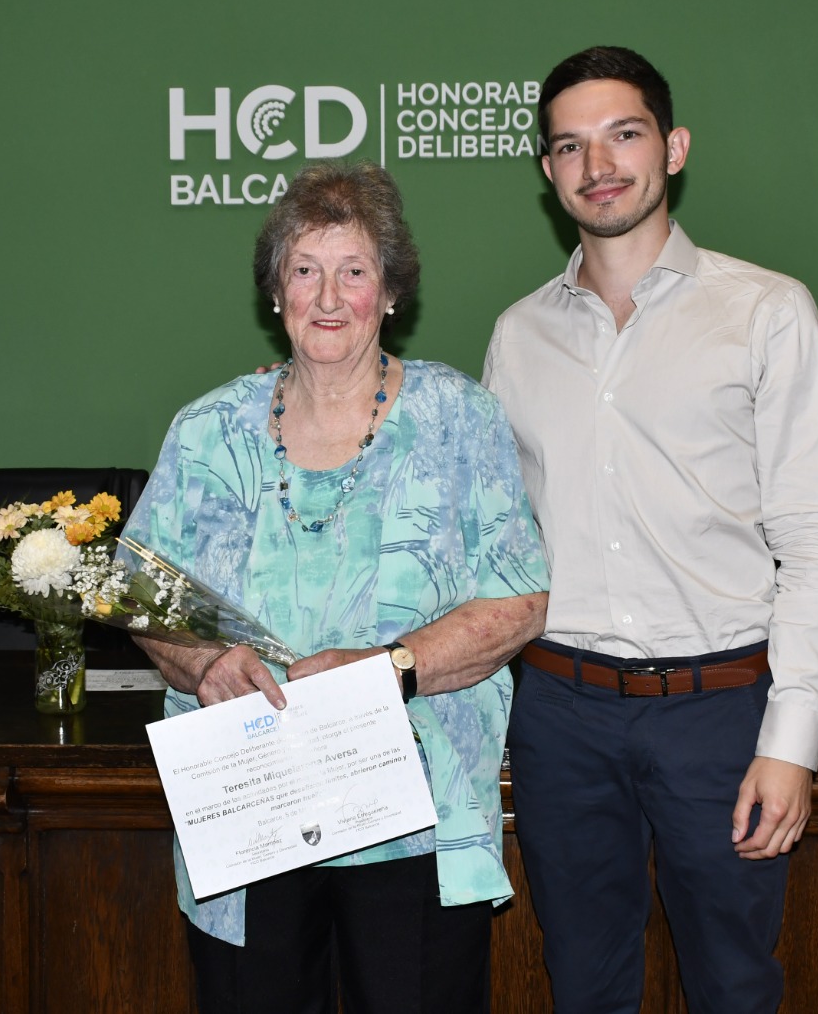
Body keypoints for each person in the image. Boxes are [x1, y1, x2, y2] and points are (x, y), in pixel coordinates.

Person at [483, 46, 818, 1013]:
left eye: (624, 134)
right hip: (561, 714)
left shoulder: (765, 311)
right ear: (547, 170)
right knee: (582, 987)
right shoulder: (518, 336)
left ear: (674, 147)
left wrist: (793, 741)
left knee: (735, 987)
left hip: (721, 714)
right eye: (570, 145)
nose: (598, 164)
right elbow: (493, 540)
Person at [119, 160, 550, 1014]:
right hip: (249, 811)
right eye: (304, 270)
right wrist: (204, 664)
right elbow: (141, 594)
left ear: (389, 292)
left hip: (416, 818)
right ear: (275, 290)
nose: (327, 297)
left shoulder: (460, 420)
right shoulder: (209, 432)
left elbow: (520, 600)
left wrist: (391, 667)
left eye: (353, 271)